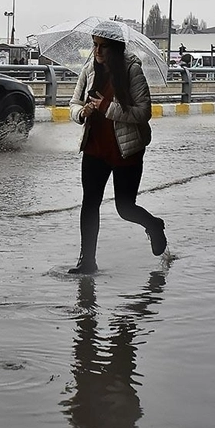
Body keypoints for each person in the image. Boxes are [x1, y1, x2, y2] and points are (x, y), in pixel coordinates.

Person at [67, 20, 167, 275]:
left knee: (125, 207)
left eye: (103, 47)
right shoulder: (89, 69)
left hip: (126, 150)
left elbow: (144, 113)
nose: (97, 51)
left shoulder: (132, 71)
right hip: (94, 148)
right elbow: (73, 103)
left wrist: (105, 108)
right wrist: (82, 112)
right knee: (90, 203)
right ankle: (87, 260)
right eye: (95, 45)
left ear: (116, 49)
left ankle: (154, 225)